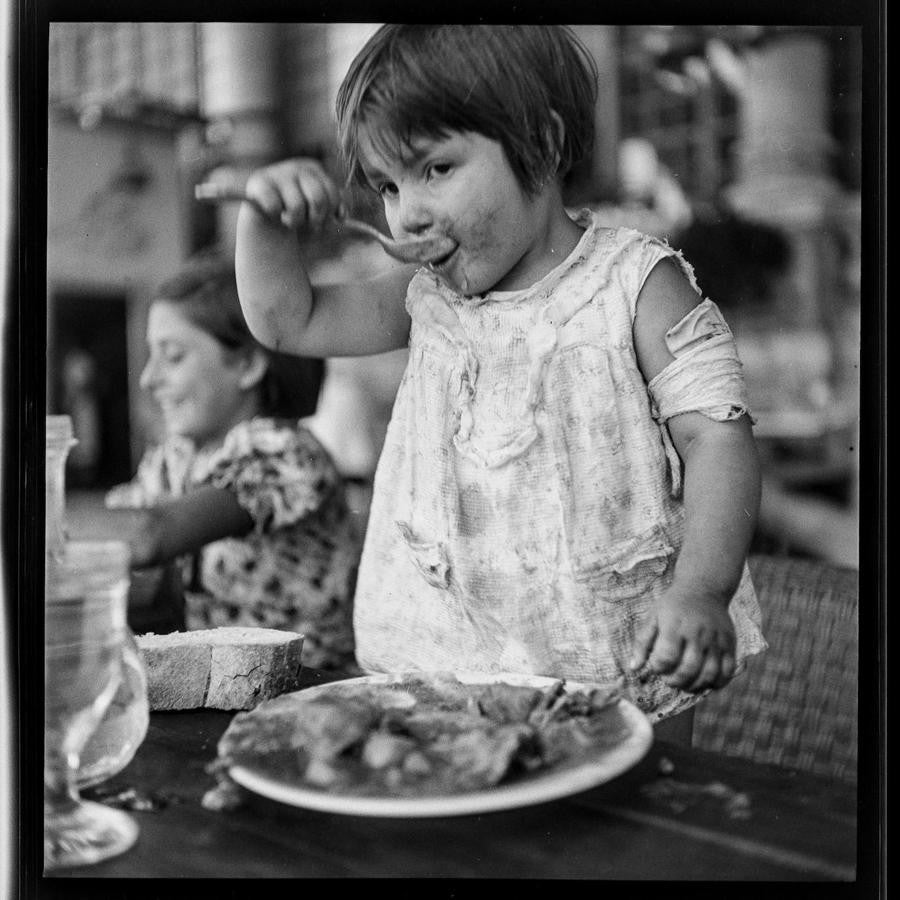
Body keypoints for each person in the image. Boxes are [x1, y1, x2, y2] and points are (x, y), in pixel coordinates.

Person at [233, 25, 767, 741]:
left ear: (541, 146)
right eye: (388, 185)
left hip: (615, 671)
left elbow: (718, 437)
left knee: (619, 840)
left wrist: (702, 590)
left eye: (435, 169)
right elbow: (286, 321)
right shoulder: (423, 298)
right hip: (438, 673)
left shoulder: (635, 284)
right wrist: (264, 223)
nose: (407, 211)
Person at [105, 252, 360, 669]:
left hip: (310, 692)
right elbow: (114, 528)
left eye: (172, 356)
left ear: (246, 364)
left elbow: (147, 535)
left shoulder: (284, 454)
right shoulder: (177, 457)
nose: (148, 379)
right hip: (227, 685)